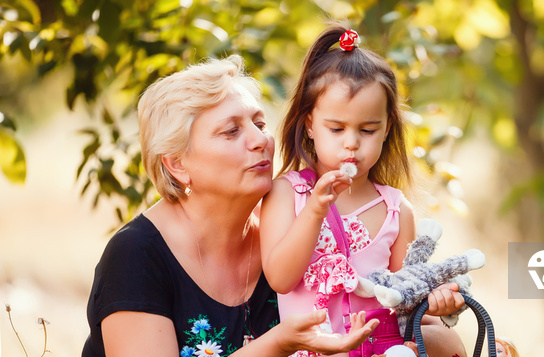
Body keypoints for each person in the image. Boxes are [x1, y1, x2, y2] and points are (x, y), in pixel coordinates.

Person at [81, 54, 380, 357]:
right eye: (231, 131)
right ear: (178, 164)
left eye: (260, 123)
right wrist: (277, 344)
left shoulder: (294, 236)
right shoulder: (136, 255)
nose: (260, 140)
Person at [260, 24, 468, 357]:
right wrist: (314, 211)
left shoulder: (396, 211)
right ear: (310, 124)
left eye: (368, 129)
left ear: (387, 129)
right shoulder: (287, 193)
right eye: (336, 128)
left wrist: (437, 300)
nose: (352, 143)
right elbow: (280, 279)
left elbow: (405, 300)